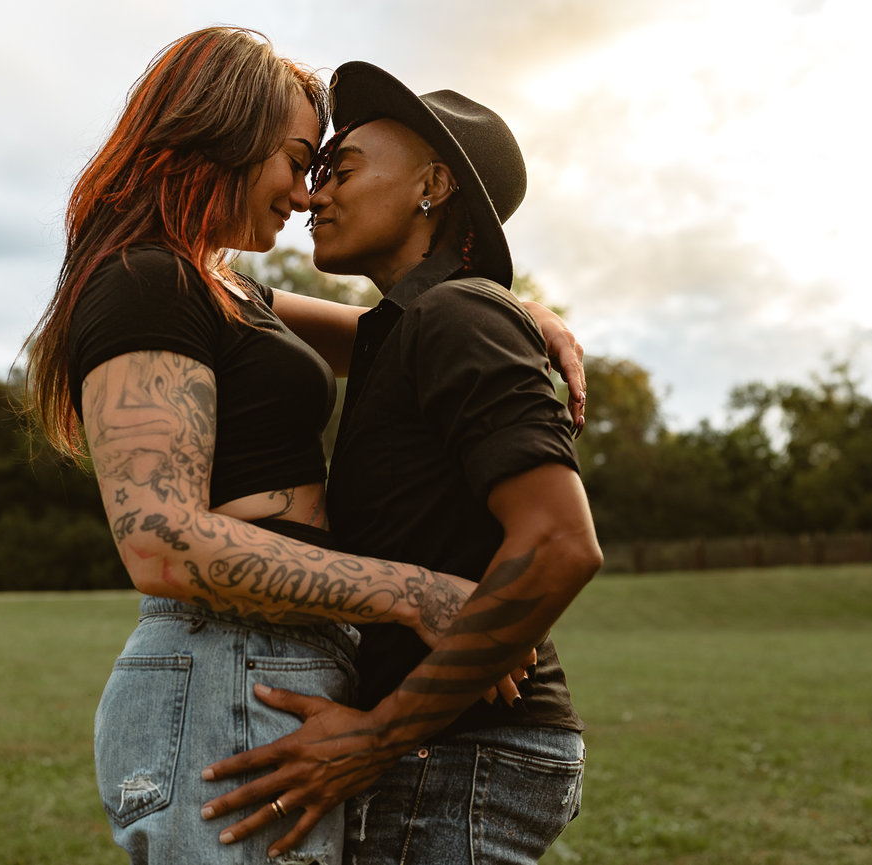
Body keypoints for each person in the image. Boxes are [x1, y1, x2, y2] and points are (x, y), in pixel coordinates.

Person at [22, 31, 585, 865]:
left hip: (277, 659)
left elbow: (391, 332)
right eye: (297, 159)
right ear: (224, 132)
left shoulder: (227, 290)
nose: (303, 190)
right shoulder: (148, 280)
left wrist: (521, 311)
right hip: (224, 658)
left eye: (326, 167)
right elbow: (159, 542)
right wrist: (415, 591)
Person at [200, 63, 603, 865]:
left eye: (340, 170)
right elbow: (208, 289)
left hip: (461, 752)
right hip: (445, 750)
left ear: (434, 184)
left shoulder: (457, 316)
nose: (313, 196)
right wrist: (521, 304)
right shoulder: (403, 328)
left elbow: (562, 544)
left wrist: (378, 734)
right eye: (312, 174)